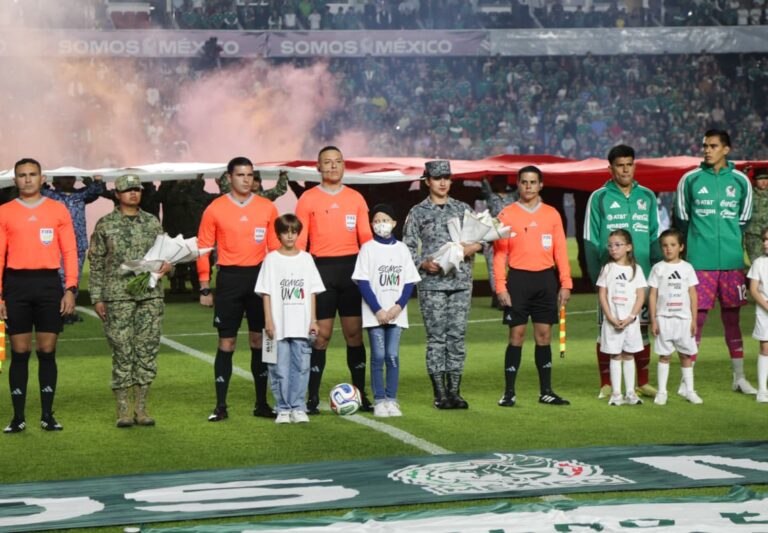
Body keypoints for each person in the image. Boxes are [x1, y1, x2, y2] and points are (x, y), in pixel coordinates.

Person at [197, 157, 280, 422]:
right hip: (229, 279)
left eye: (250, 175)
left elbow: (276, 249)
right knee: (227, 343)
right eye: (240, 175)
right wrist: (204, 286)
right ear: (228, 178)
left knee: (260, 341)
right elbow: (203, 249)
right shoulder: (215, 208)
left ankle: (262, 403)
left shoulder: (267, 207)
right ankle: (221, 406)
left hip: (259, 279)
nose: (246, 179)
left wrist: (276, 283)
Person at [675, 129, 756, 394]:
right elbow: (683, 219)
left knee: (732, 320)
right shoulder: (690, 179)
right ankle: (687, 383)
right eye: (704, 146)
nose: (706, 150)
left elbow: (743, 221)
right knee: (695, 321)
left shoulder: (741, 181)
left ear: (726, 149)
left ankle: (739, 378)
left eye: (712, 146)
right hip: (700, 263)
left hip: (732, 263)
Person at [0, 158, 77, 433]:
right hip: (17, 286)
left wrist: (70, 288)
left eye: (33, 174)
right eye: (22, 175)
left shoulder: (58, 210)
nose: (28, 179)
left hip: (48, 286)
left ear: (42, 178)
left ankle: (47, 415)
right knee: (19, 353)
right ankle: (18, 418)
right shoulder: (5, 212)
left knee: (47, 351)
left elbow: (69, 251)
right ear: (15, 180)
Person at [295, 146, 373, 414]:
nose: (332, 166)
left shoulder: (356, 198)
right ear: (318, 167)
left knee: (354, 335)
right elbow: (300, 243)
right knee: (321, 337)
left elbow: (367, 241)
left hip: (352, 271)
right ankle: (312, 398)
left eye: (337, 162)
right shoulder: (307, 199)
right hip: (321, 272)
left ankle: (361, 395)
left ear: (343, 166)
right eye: (327, 162)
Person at [89, 174, 171, 427]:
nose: (133, 193)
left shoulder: (152, 223)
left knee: (147, 350)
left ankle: (142, 409)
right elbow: (96, 263)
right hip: (117, 296)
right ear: (117, 194)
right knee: (123, 351)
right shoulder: (105, 225)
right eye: (127, 190)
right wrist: (97, 297)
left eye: (137, 189)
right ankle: (123, 410)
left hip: (149, 295)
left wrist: (168, 267)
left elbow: (166, 255)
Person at [403, 160, 482, 409]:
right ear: (427, 181)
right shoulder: (417, 212)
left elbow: (481, 240)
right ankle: (440, 393)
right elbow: (405, 248)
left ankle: (455, 392)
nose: (443, 182)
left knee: (457, 338)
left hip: (459, 282)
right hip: (431, 284)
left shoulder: (462, 209)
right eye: (437, 178)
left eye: (446, 177)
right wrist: (423, 263)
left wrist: (469, 248)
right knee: (436, 339)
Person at [584, 145, 660, 400]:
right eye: (620, 165)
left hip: (643, 278)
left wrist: (657, 275)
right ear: (611, 168)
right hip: (611, 281)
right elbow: (590, 240)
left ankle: (643, 382)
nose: (625, 169)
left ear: (634, 165)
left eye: (629, 164)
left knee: (643, 329)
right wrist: (598, 280)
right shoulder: (599, 197)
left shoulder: (648, 197)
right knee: (608, 328)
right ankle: (607, 383)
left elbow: (654, 239)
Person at [492, 165, 572, 407]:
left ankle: (546, 391)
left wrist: (565, 283)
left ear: (541, 185)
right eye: (524, 182)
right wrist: (500, 286)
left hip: (546, 281)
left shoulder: (552, 214)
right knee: (516, 336)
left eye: (533, 182)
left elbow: (561, 251)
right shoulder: (506, 214)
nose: (528, 186)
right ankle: (508, 392)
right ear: (518, 184)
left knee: (544, 336)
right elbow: (499, 254)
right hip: (518, 281)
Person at [352, 203, 420, 417]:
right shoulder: (368, 249)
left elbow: (409, 282)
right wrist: (378, 310)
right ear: (372, 224)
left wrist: (398, 307)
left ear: (394, 223)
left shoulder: (401, 249)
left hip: (396, 314)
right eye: (377, 221)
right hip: (376, 315)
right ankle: (379, 400)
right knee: (378, 355)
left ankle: (392, 399)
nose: (382, 224)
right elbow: (362, 282)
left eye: (386, 220)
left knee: (392, 356)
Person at [255, 214, 325, 424]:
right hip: (278, 325)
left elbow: (312, 291)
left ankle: (298, 406)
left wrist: (313, 320)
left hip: (301, 324)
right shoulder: (271, 260)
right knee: (278, 367)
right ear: (278, 234)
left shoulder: (306, 259)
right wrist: (268, 320)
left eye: (293, 232)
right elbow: (266, 291)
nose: (290, 236)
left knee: (302, 366)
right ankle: (283, 407)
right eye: (285, 232)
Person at [648, 228, 701, 406]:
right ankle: (662, 392)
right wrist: (654, 319)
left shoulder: (687, 268)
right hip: (664, 319)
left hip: (684, 320)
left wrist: (693, 319)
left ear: (681, 247)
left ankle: (690, 391)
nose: (668, 249)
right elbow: (653, 295)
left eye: (672, 245)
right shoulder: (658, 268)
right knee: (664, 356)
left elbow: (693, 294)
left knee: (686, 355)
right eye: (664, 246)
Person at [42, 174, 105, 323]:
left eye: (71, 177)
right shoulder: (51, 195)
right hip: (57, 244)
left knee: (73, 277)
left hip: (77, 244)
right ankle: (59, 310)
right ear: (56, 180)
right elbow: (38, 190)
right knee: (59, 277)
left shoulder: (81, 194)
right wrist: (43, 183)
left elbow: (96, 191)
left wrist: (95, 181)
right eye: (65, 177)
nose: (69, 180)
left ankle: (69, 310)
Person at [597, 230, 647, 406]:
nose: (613, 249)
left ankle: (631, 393)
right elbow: (602, 294)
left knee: (628, 355)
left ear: (628, 247)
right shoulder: (607, 268)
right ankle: (616, 394)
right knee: (615, 355)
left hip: (630, 323)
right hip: (612, 322)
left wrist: (631, 317)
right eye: (610, 245)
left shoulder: (636, 269)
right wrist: (609, 317)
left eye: (617, 245)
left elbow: (640, 295)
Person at [747, 227, 768, 404]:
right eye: (764, 240)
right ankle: (762, 389)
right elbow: (753, 290)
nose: (765, 243)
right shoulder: (759, 263)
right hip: (764, 311)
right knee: (765, 348)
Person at [743, 168, 768, 263]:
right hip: (753, 234)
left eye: (766, 179)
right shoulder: (749, 194)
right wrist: (745, 173)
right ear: (755, 180)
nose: (764, 182)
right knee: (756, 261)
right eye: (760, 179)